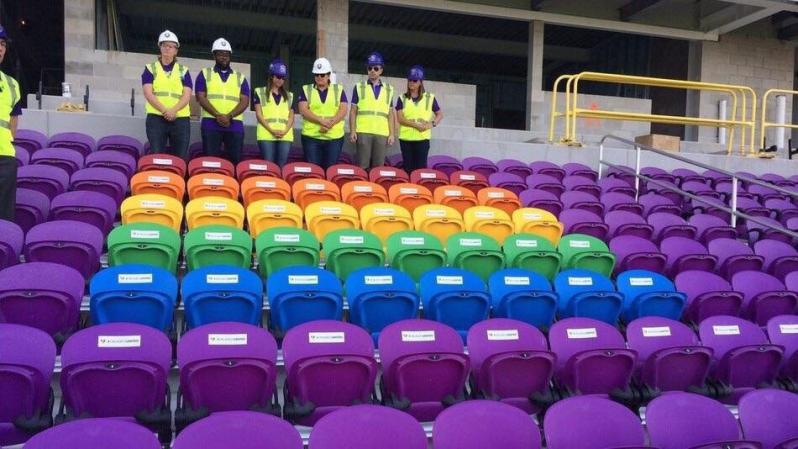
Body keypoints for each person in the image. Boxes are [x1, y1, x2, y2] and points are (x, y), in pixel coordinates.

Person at [195, 38, 250, 164]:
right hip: (211, 122)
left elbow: (245, 101)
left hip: (234, 123)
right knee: (210, 161)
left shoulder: (240, 77)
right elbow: (201, 97)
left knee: (235, 161)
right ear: (214, 55)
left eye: (226, 54)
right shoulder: (204, 74)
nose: (224, 57)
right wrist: (217, 115)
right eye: (220, 54)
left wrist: (229, 116)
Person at [141, 30, 192, 159]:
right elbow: (148, 93)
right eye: (164, 45)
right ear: (160, 47)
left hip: (180, 119)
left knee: (180, 157)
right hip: (156, 118)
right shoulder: (150, 68)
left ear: (176, 50)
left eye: (171, 46)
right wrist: (165, 111)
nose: (167, 49)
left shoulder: (183, 71)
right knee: (157, 155)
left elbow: (187, 95)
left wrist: (173, 111)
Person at [297, 57, 347, 170]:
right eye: (316, 75)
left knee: (331, 170)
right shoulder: (306, 89)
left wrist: (330, 123)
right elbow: (303, 110)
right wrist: (322, 121)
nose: (319, 77)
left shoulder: (338, 90)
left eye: (322, 75)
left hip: (334, 137)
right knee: (314, 171)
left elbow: (343, 109)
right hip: (311, 137)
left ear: (329, 75)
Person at [349, 52, 395, 169]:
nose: (372, 70)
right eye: (369, 68)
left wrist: (392, 134)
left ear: (381, 70)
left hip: (382, 133)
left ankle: (376, 187)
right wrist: (353, 131)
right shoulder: (359, 87)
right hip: (363, 131)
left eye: (375, 68)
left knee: (378, 167)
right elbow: (353, 111)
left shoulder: (389, 89)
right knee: (362, 165)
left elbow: (390, 114)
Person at [396, 65, 443, 173]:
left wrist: (430, 125)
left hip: (422, 140)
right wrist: (417, 125)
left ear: (421, 82)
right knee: (408, 169)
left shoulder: (429, 98)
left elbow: (439, 114)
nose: (411, 82)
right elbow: (400, 119)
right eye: (409, 80)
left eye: (414, 80)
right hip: (406, 139)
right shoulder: (401, 98)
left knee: (421, 170)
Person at [253, 59, 294, 167]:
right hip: (266, 134)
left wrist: (284, 131)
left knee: (281, 166)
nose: (281, 80)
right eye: (278, 76)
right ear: (271, 76)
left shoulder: (289, 96)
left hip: (285, 135)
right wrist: (272, 130)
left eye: (283, 78)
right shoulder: (259, 92)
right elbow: (259, 115)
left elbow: (291, 117)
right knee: (269, 165)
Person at [0, 26, 20, 221]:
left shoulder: (12, 84)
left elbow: (13, 123)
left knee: (4, 216)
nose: (0, 47)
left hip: (5, 158)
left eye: (2, 44)